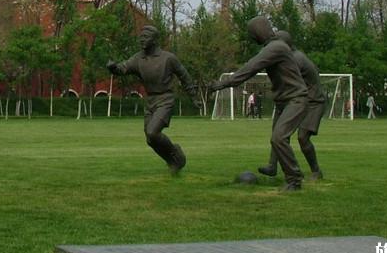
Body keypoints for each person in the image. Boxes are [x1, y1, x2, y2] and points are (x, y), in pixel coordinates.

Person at [209, 17, 308, 191]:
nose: (251, 38)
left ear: (259, 32)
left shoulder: (276, 48)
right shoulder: (274, 47)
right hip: (283, 101)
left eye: (252, 33)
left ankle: (294, 179)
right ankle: (275, 168)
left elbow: (251, 67)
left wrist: (223, 84)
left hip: (296, 100)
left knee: (279, 138)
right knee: (276, 139)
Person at [108, 25, 198, 175]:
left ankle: (176, 153)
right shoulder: (138, 58)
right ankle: (171, 161)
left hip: (165, 99)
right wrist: (113, 67)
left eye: (145, 37)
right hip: (150, 101)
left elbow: (184, 76)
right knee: (150, 140)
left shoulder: (168, 58)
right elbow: (123, 68)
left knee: (152, 132)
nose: (142, 40)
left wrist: (193, 96)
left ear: (155, 40)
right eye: (140, 38)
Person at [258, 31, 325, 180]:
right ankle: (272, 166)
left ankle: (316, 171)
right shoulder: (292, 56)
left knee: (302, 138)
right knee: (279, 133)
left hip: (313, 102)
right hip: (296, 100)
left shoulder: (296, 59)